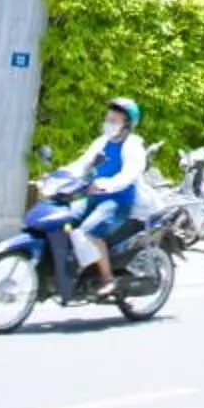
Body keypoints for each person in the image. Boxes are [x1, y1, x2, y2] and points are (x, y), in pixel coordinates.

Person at [70, 97, 151, 292]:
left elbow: (129, 175)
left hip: (117, 202)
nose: (109, 124)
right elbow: (82, 164)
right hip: (93, 196)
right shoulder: (101, 142)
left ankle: (107, 279)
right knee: (64, 218)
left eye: (114, 121)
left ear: (127, 125)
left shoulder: (133, 147)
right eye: (108, 119)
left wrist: (105, 185)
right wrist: (59, 176)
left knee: (90, 231)